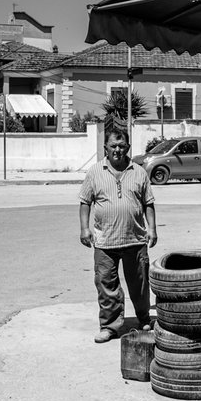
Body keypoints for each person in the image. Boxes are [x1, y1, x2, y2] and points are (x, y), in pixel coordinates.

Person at [78, 129, 158, 343]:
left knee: (140, 284)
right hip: (105, 241)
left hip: (135, 239)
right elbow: (85, 202)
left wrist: (152, 229)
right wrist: (84, 229)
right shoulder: (95, 172)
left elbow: (148, 203)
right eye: (113, 145)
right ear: (106, 147)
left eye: (121, 146)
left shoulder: (139, 172)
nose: (117, 150)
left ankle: (143, 319)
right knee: (106, 285)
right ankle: (109, 326)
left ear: (128, 148)